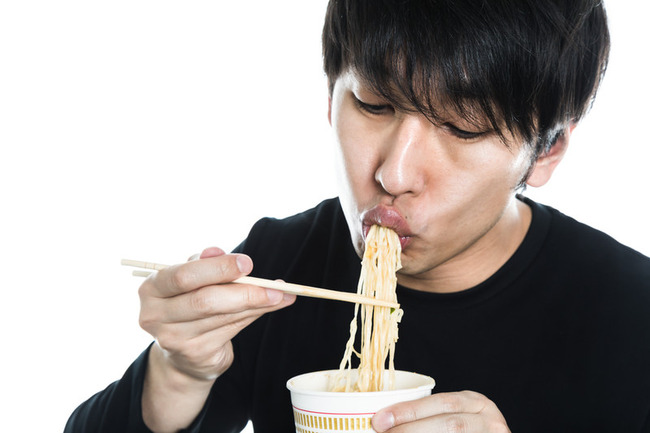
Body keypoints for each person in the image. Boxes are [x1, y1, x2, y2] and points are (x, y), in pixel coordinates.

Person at [65, 0, 650, 432]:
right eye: (374, 104)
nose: (394, 174)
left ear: (546, 151)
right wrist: (179, 372)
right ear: (331, 98)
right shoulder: (279, 268)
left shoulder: (631, 314)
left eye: (462, 127)